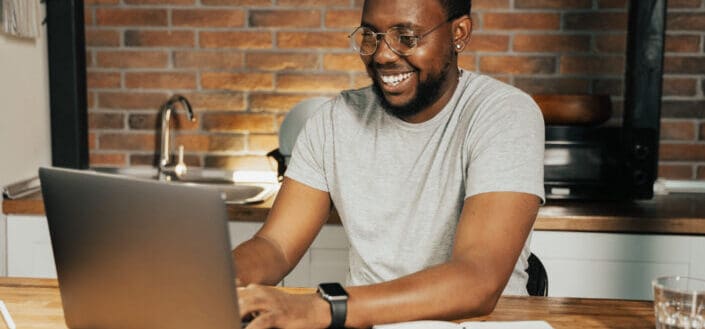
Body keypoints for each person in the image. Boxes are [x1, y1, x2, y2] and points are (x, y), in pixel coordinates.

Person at [232, 0, 545, 327]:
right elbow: (275, 245)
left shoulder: (505, 114)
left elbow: (477, 281)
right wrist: (224, 279)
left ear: (459, 33)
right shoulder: (334, 121)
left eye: (406, 37)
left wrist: (320, 308)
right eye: (371, 35)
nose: (382, 55)